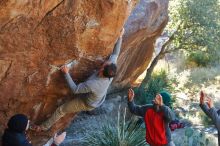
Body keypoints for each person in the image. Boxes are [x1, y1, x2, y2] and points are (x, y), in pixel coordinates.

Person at [36, 28, 124, 131]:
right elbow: (115, 54)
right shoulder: (110, 69)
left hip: (87, 103)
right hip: (96, 96)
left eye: (105, 63)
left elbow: (75, 90)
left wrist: (66, 73)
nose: (106, 61)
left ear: (101, 70)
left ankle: (43, 127)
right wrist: (120, 36)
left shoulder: (93, 84)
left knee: (61, 109)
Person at [2, 114, 66, 146]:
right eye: (27, 122)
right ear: (21, 127)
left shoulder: (8, 132)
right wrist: (55, 143)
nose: (29, 121)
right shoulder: (21, 142)